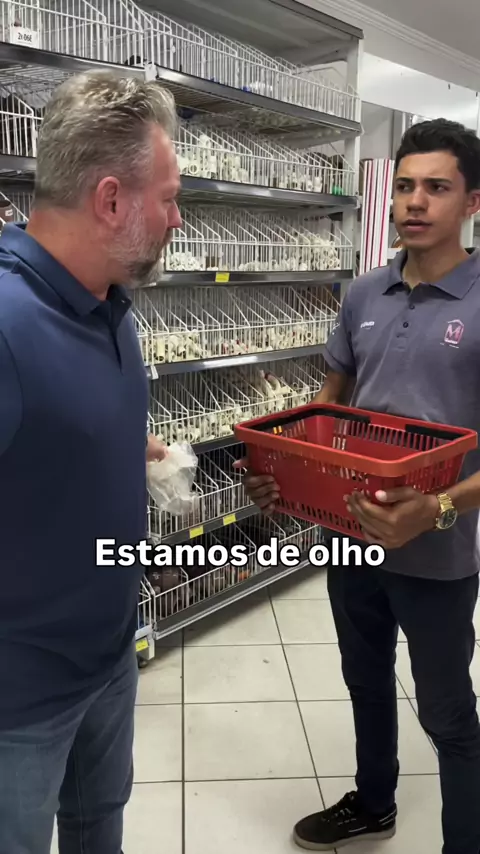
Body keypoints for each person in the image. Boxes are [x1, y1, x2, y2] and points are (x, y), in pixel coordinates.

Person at [241, 118, 480, 854]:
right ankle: (374, 802)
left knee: (447, 712)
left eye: (436, 187)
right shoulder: (363, 293)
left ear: (473, 201)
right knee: (365, 679)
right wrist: (281, 469)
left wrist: (437, 506)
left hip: (437, 552)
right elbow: (329, 406)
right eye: (405, 186)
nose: (415, 202)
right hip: (349, 537)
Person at [0, 70, 182, 854]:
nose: (177, 218)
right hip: (21, 698)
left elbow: (52, 427)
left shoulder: (109, 305)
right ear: (111, 200)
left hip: (110, 654)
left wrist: (123, 449)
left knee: (97, 826)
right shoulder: (7, 322)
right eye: (169, 198)